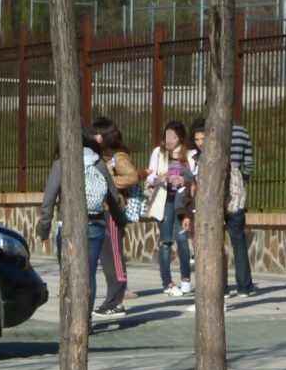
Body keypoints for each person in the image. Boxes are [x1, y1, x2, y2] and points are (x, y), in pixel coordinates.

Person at [35, 130, 126, 314]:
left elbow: (49, 199)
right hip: (96, 224)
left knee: (69, 275)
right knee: (88, 274)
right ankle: (86, 320)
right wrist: (121, 221)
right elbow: (114, 198)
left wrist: (43, 228)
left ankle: (71, 318)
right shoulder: (99, 163)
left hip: (68, 225)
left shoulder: (62, 164)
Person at [193, 117, 257, 297]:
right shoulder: (242, 132)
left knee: (214, 242)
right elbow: (249, 160)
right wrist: (243, 178)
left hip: (212, 191)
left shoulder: (211, 133)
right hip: (235, 190)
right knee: (238, 241)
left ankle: (221, 286)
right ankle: (244, 286)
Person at [90, 117, 137, 319]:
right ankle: (112, 300)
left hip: (112, 211)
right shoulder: (99, 157)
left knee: (115, 256)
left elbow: (132, 176)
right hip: (101, 211)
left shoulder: (118, 157)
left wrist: (109, 181)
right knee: (106, 258)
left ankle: (116, 301)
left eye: (96, 133)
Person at [145, 121, 195, 297]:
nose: (168, 140)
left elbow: (195, 179)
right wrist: (159, 178)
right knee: (166, 241)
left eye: (172, 136)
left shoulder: (190, 155)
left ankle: (186, 279)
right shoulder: (158, 153)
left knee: (183, 240)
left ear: (180, 137)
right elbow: (149, 177)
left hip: (182, 202)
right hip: (164, 200)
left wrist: (185, 182)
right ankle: (167, 281)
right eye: (166, 136)